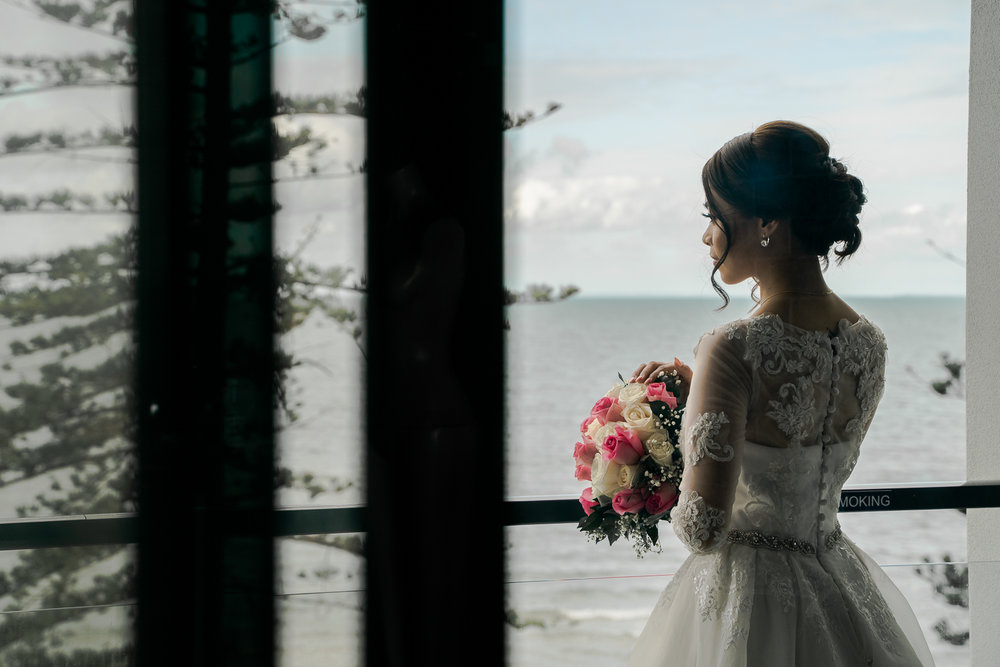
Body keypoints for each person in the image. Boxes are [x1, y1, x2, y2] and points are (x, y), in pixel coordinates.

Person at [627, 121, 934, 666]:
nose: (706, 237)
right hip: (835, 575)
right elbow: (798, 442)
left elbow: (702, 526)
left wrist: (653, 457)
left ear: (766, 220)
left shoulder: (732, 347)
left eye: (712, 217)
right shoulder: (868, 342)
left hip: (752, 598)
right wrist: (702, 397)